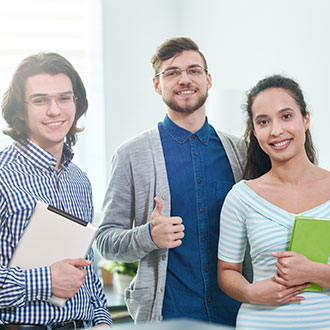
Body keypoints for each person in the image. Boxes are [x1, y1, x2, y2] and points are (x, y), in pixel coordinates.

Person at [96, 37, 252, 326]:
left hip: (238, 314)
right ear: (157, 85)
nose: (185, 79)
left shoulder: (241, 153)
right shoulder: (132, 155)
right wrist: (149, 237)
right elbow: (104, 241)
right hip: (168, 316)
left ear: (208, 79)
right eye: (172, 72)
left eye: (194, 70)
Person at [0, 52, 112, 328]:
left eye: (64, 98)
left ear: (77, 104)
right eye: (40, 100)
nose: (55, 110)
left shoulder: (80, 181)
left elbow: (86, 268)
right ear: (20, 111)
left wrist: (101, 319)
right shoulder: (2, 174)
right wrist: (46, 280)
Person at [217, 74, 330, 329]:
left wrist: (316, 272)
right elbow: (226, 272)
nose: (276, 130)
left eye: (286, 116)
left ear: (306, 118)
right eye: (263, 122)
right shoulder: (241, 197)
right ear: (255, 131)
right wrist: (250, 293)